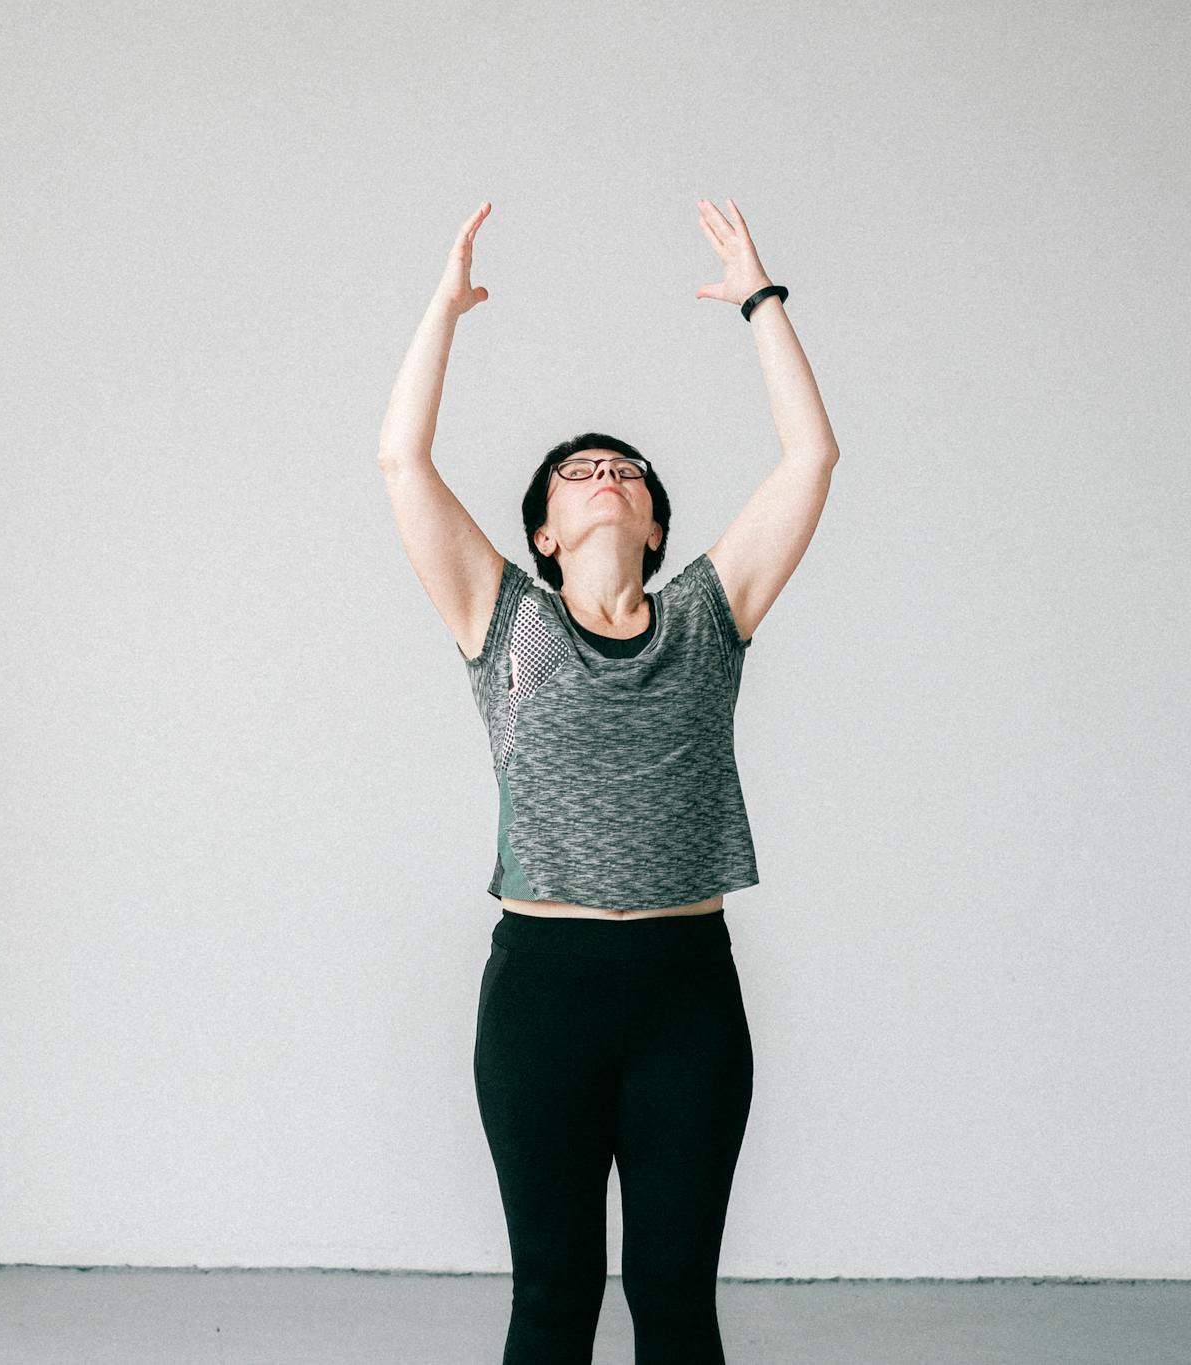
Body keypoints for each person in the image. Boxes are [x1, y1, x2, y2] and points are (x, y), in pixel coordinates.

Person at [376, 198, 837, 1363]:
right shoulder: (506, 621)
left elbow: (809, 456)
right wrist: (440, 311)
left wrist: (757, 302)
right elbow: (399, 457)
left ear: (652, 520)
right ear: (539, 529)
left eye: (623, 472)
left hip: (686, 997)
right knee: (554, 1301)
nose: (603, 477)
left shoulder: (705, 612)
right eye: (578, 474)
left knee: (676, 1302)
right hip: (540, 999)